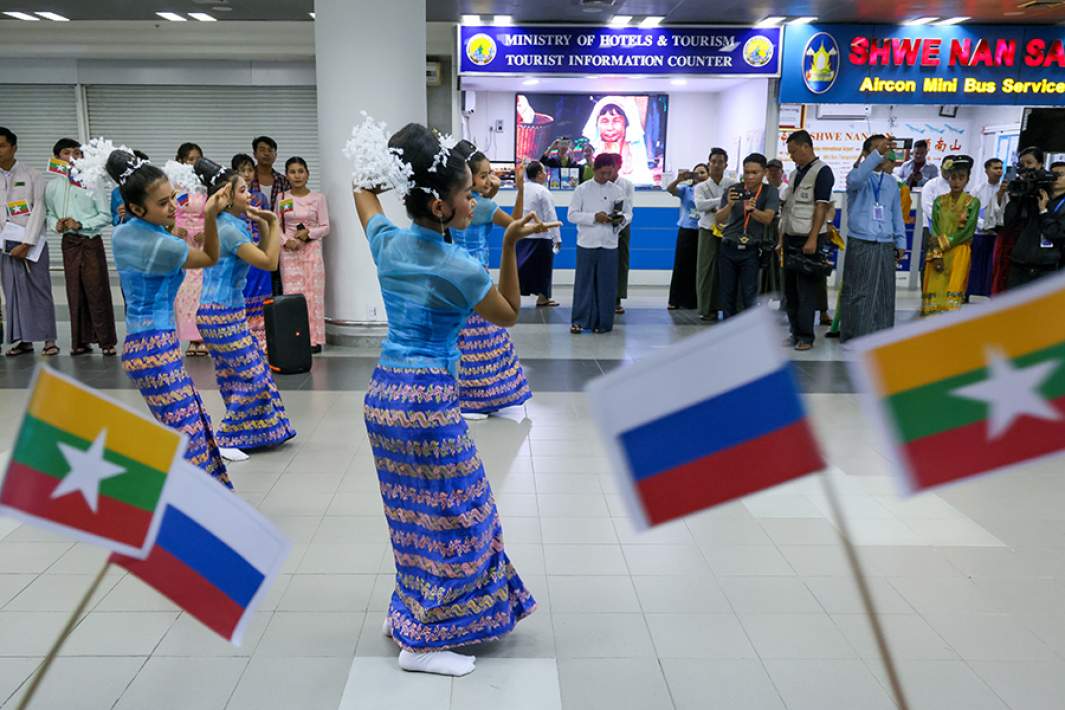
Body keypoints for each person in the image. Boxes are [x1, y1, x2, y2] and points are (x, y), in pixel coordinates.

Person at [351, 122, 542, 677]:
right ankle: (426, 641)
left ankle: (409, 613)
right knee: (460, 516)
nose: (475, 199)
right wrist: (509, 245)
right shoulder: (457, 267)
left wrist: (391, 160)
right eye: (466, 194)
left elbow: (362, 190)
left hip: (384, 393)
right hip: (429, 400)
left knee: (410, 514)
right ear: (439, 206)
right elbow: (509, 311)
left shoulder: (387, 240)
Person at [100, 148, 229, 486]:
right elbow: (210, 257)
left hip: (149, 345)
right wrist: (213, 215)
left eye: (173, 197)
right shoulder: (163, 246)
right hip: (156, 347)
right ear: (137, 208)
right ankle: (190, 502)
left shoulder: (123, 232)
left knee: (190, 421)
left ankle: (196, 498)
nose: (173, 206)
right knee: (186, 432)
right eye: (163, 203)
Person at [194, 157, 295, 458]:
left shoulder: (232, 223)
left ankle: (255, 433)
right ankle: (225, 438)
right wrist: (275, 222)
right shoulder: (227, 229)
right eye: (242, 191)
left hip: (223, 312)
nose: (249, 194)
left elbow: (265, 250)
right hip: (220, 313)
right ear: (225, 198)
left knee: (237, 374)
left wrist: (263, 222)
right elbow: (269, 262)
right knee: (251, 374)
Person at [45, 138, 117, 357]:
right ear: (57, 158)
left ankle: (106, 342)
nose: (72, 157)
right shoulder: (52, 186)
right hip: (69, 243)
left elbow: (105, 215)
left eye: (77, 153)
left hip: (90, 240)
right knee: (74, 291)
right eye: (66, 153)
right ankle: (80, 341)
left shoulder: (92, 182)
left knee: (97, 290)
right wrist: (55, 224)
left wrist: (82, 224)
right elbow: (49, 213)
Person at [838, 136, 906, 342]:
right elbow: (856, 179)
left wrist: (901, 241)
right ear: (867, 154)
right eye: (877, 149)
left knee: (884, 294)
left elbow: (896, 214)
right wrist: (877, 155)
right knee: (858, 292)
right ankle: (854, 337)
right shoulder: (857, 178)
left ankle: (881, 338)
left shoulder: (892, 183)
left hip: (885, 243)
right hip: (862, 241)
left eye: (885, 150)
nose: (884, 152)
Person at [0, 126, 58, 358]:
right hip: (4, 244)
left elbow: (39, 210)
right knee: (12, 291)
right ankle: (23, 340)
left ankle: (49, 340)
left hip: (31, 244)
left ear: (14, 147)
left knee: (39, 290)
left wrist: (28, 242)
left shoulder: (32, 175)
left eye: (2, 145)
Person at [780, 130, 835, 351]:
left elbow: (821, 206)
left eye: (794, 152)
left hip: (809, 240)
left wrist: (813, 238)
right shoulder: (795, 173)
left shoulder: (823, 172)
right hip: (790, 237)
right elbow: (788, 207)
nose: (792, 156)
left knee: (806, 292)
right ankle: (795, 332)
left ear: (805, 147)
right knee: (790, 291)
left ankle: (806, 337)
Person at [568, 153, 631, 334]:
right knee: (583, 283)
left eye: (609, 173)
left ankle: (603, 322)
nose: (606, 177)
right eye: (603, 173)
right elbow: (571, 215)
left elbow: (628, 214)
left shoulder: (617, 191)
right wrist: (594, 217)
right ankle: (579, 321)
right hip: (587, 242)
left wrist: (619, 220)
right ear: (594, 170)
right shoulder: (582, 189)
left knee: (607, 284)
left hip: (609, 243)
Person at [714, 153, 779, 319]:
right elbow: (719, 218)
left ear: (764, 172)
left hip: (751, 249)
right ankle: (728, 328)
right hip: (729, 246)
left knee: (749, 293)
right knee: (726, 292)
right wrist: (729, 205)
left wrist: (752, 210)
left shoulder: (770, 192)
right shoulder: (733, 190)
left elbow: (768, 218)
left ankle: (747, 330)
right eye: (747, 172)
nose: (750, 176)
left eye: (754, 172)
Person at [277, 157, 329, 352]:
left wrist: (309, 233)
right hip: (290, 252)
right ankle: (295, 338)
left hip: (312, 250)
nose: (297, 175)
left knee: (313, 294)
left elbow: (325, 227)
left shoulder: (318, 198)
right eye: (292, 171)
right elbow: (276, 225)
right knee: (292, 294)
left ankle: (314, 340)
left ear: (307, 173)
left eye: (300, 171)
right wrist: (285, 241)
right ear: (286, 175)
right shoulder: (283, 198)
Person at [922, 156, 980, 315]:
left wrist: (944, 243)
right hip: (938, 251)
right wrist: (936, 252)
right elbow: (934, 227)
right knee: (934, 292)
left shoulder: (972, 202)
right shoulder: (939, 201)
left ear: (967, 180)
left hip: (959, 251)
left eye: (961, 178)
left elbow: (967, 231)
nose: (956, 182)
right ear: (948, 178)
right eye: (953, 177)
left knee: (953, 293)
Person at [232, 153, 272, 352]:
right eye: (242, 171)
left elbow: (268, 222)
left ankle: (263, 338)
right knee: (244, 291)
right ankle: (244, 335)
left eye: (250, 170)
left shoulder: (260, 198)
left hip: (260, 248)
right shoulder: (232, 201)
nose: (247, 174)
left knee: (262, 291)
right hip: (242, 252)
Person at [171, 142, 208, 357]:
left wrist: (207, 232)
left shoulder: (205, 185)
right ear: (181, 161)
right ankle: (189, 337)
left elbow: (213, 213)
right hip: (182, 242)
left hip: (202, 243)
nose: (193, 163)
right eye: (190, 159)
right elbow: (168, 211)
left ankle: (201, 336)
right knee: (184, 292)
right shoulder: (174, 184)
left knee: (200, 290)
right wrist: (175, 229)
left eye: (197, 158)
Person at [1006, 158, 1065, 289]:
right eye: (1052, 174)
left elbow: (1057, 233)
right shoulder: (1036, 196)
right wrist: (1016, 198)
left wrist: (1043, 211)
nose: (1055, 178)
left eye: (1060, 175)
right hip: (1020, 262)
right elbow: (1010, 222)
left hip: (1048, 266)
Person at [993, 147, 1043, 294]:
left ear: (1040, 165)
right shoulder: (1017, 186)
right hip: (1014, 244)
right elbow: (1007, 220)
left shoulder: (1045, 188)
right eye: (1022, 164)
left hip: (1036, 248)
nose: (1026, 167)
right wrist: (1009, 196)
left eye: (1030, 163)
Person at [693, 148, 734, 322]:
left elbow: (737, 204)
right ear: (709, 163)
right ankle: (706, 308)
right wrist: (724, 201)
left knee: (727, 270)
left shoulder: (731, 184)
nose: (717, 165)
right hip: (708, 230)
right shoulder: (701, 186)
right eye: (714, 162)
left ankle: (726, 307)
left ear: (726, 164)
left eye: (720, 162)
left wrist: (722, 204)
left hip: (728, 230)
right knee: (706, 270)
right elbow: (700, 205)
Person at [580, 96, 655, 185]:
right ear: (597, 125)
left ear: (626, 125)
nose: (610, 127)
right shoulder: (587, 160)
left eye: (616, 121)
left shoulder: (636, 160)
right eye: (604, 121)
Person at [517, 161, 561, 307]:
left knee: (520, 268)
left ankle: (512, 295)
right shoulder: (543, 191)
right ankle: (543, 297)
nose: (546, 174)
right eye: (543, 171)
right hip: (542, 236)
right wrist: (557, 237)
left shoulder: (522, 189)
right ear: (538, 175)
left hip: (523, 234)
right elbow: (550, 214)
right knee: (543, 269)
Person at [665, 163, 708, 310]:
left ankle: (695, 301)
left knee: (699, 267)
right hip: (686, 230)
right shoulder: (686, 190)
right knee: (681, 265)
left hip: (703, 230)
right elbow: (670, 190)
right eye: (696, 173)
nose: (699, 176)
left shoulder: (709, 192)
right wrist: (679, 179)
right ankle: (675, 300)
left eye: (702, 173)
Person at [967, 158, 1007, 299]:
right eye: (995, 168)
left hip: (996, 234)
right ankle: (972, 292)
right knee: (976, 266)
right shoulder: (978, 189)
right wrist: (982, 225)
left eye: (1001, 168)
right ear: (986, 170)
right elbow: (970, 211)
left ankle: (991, 293)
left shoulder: (1005, 190)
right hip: (979, 233)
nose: (999, 171)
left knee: (993, 266)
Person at [610, 153, 635, 315]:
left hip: (622, 225)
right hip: (601, 225)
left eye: (612, 166)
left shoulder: (626, 184)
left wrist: (621, 221)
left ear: (619, 166)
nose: (608, 170)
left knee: (621, 261)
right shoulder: (599, 183)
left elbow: (629, 209)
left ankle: (617, 298)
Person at [760, 158, 786, 300]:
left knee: (778, 265)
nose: (773, 174)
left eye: (776, 171)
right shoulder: (763, 190)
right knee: (764, 263)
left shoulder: (786, 190)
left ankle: (781, 297)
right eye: (770, 171)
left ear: (782, 172)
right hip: (764, 229)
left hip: (780, 228)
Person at [249, 135, 292, 211]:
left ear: (275, 155)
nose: (266, 153)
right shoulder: (247, 178)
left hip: (277, 222)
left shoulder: (283, 181)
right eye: (262, 150)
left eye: (270, 150)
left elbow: (287, 210)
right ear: (255, 154)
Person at [110, 150, 149, 226]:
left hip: (153, 232)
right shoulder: (116, 193)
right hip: (128, 234)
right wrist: (120, 216)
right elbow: (114, 220)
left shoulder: (150, 186)